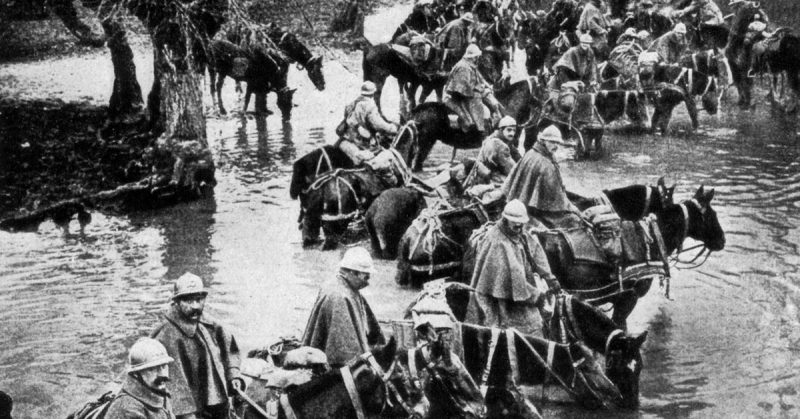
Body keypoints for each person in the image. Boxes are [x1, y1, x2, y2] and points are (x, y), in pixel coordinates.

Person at [152, 273, 244, 419]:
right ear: (177, 302)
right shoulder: (166, 334)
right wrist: (186, 414)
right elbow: (174, 383)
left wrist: (234, 375)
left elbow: (230, 349)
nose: (195, 306)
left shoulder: (210, 324)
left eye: (199, 300)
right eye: (188, 301)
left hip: (216, 398)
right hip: (190, 409)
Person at [465, 199, 560, 335]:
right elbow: (513, 282)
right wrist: (537, 296)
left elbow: (536, 251)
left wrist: (549, 277)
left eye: (522, 225)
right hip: (502, 299)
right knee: (528, 329)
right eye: (516, 225)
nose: (520, 228)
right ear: (505, 220)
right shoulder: (498, 243)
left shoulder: (519, 231)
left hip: (524, 291)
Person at [302, 247, 386, 367]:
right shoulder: (339, 297)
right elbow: (343, 352)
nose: (368, 280)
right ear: (352, 273)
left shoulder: (347, 287)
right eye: (366, 276)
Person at [502, 125, 584, 229]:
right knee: (574, 220)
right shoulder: (546, 165)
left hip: (523, 203)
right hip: (539, 212)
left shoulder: (530, 153)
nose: (556, 146)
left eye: (558, 143)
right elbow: (555, 198)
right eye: (552, 142)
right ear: (543, 141)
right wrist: (571, 207)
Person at [106, 338, 176, 419]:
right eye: (152, 369)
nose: (162, 374)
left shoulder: (158, 392)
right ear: (136, 374)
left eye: (164, 366)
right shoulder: (128, 409)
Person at [443, 43, 500, 134]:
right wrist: (481, 89)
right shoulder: (463, 67)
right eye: (476, 56)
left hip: (469, 93)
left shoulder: (470, 65)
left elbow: (479, 78)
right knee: (482, 111)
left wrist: (487, 86)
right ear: (472, 57)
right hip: (460, 96)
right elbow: (464, 88)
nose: (477, 58)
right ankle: (480, 131)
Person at [339, 81, 399, 165]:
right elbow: (378, 125)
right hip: (362, 142)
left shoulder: (353, 103)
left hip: (349, 138)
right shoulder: (369, 106)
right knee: (386, 156)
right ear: (373, 93)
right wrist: (393, 128)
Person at [463, 116, 521, 203]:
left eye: (514, 130)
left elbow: (515, 153)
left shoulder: (491, 138)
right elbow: (511, 170)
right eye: (509, 130)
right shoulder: (500, 145)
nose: (512, 133)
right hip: (490, 178)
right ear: (501, 130)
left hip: (479, 175)